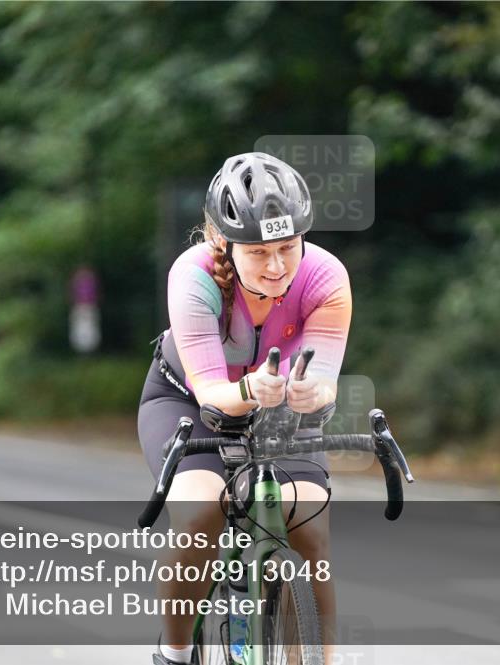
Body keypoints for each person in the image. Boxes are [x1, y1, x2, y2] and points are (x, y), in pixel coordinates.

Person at [138, 152, 352, 665]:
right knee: (200, 513)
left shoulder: (326, 277)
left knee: (309, 529)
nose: (277, 267)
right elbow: (213, 391)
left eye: (287, 247)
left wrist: (312, 393)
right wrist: (254, 390)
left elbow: (324, 383)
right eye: (258, 252)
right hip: (189, 400)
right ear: (223, 244)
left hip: (281, 408)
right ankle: (175, 650)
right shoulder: (193, 276)